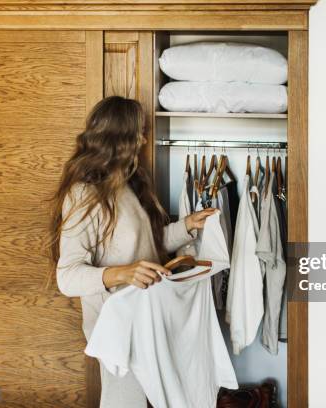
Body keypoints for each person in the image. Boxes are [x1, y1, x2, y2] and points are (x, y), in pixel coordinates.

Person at [47, 96, 215, 407]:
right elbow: (67, 277)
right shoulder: (84, 194)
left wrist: (188, 226)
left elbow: (149, 246)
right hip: (117, 324)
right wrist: (124, 272)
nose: (145, 139)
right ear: (120, 137)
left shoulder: (128, 185)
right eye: (139, 131)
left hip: (147, 313)